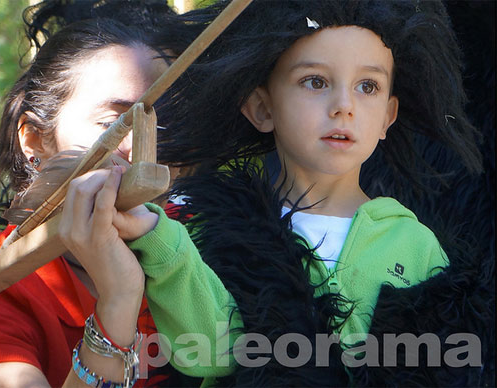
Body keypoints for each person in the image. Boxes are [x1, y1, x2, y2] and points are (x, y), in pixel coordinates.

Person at [123, 0, 494, 386]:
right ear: (262, 108)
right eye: (315, 81)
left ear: (387, 115)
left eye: (368, 86)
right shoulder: (220, 228)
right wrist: (159, 241)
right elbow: (205, 353)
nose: (344, 107)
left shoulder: (415, 243)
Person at [0, 1, 196, 387]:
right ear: (34, 139)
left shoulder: (208, 246)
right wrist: (119, 299)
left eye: (161, 127)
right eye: (114, 124)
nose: (143, 150)